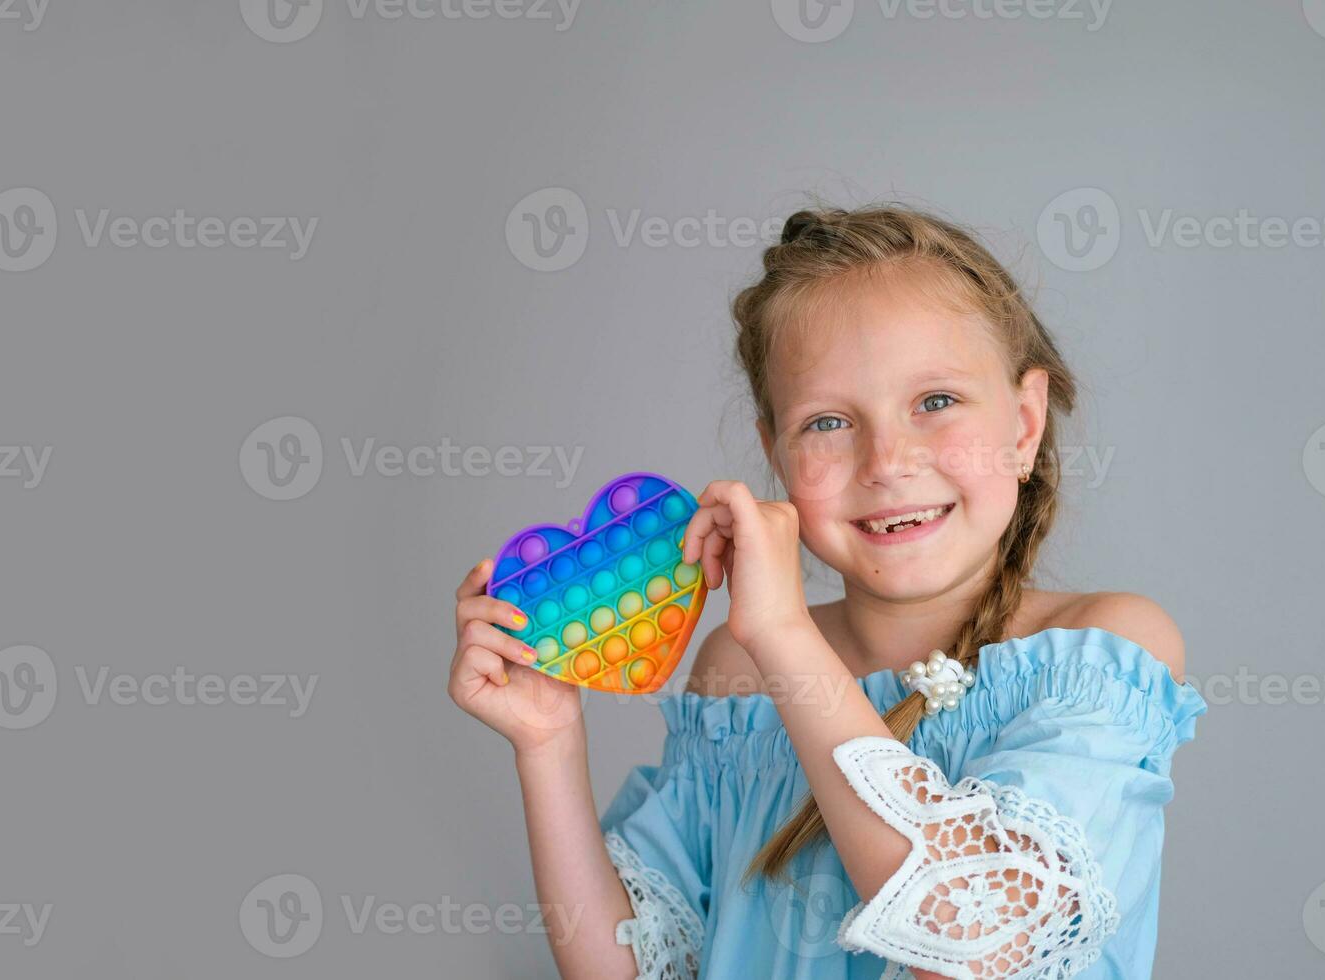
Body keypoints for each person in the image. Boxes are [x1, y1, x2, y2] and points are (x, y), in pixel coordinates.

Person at [448, 204, 1206, 978]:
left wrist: (785, 641)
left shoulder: (1104, 655)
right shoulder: (739, 681)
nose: (886, 460)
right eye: (828, 422)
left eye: (936, 402)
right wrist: (549, 744)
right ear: (774, 451)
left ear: (1023, 422)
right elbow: (632, 970)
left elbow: (975, 943)